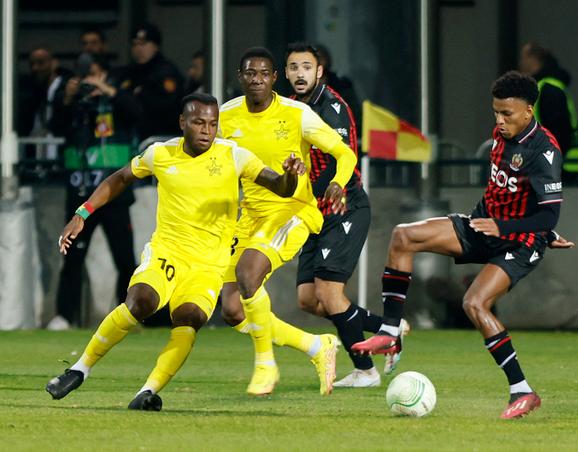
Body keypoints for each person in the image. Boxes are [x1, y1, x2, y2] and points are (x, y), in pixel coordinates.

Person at [45, 93, 306, 410]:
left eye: (212, 124)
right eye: (199, 123)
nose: (207, 131)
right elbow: (120, 178)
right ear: (183, 123)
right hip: (167, 253)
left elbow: (279, 185)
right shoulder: (160, 154)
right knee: (140, 301)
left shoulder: (233, 155)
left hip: (208, 266)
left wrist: (291, 174)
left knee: (189, 318)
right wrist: (82, 213)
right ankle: (79, 369)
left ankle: (147, 391)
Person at [353, 71, 575, 420]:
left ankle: (522, 390)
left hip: (517, 243)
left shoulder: (544, 152)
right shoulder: (503, 134)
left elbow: (549, 217)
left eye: (508, 114)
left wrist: (524, 229)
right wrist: (494, 222)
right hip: (481, 226)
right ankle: (390, 332)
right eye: (496, 113)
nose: (500, 121)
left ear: (529, 111)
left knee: (475, 302)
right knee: (402, 236)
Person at [217, 47, 357, 396]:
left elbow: (345, 152)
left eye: (264, 74)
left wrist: (338, 182)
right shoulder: (225, 116)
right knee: (232, 311)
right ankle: (315, 346)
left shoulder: (298, 114)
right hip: (249, 215)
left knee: (249, 273)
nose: (257, 80)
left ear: (274, 78)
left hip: (293, 210)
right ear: (241, 77)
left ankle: (266, 366)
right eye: (250, 74)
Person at [284, 42, 406, 388]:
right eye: (293, 68)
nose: (300, 74)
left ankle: (365, 370)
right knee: (308, 299)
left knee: (329, 292)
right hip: (314, 213)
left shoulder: (332, 107)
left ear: (319, 71)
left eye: (306, 67)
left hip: (344, 206)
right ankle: (389, 327)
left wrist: (305, 191)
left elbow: (343, 159)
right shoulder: (290, 108)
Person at [47, 53, 140, 330]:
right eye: (84, 76)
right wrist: (68, 98)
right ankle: (65, 316)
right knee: (72, 256)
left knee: (124, 257)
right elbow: (55, 127)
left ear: (105, 75)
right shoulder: (73, 102)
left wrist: (109, 91)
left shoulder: (115, 98)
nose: (89, 81)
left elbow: (136, 113)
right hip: (80, 190)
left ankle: (129, 314)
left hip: (114, 192)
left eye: (94, 74)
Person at [519, 42, 578, 177]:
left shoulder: (548, 89)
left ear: (533, 59)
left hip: (560, 170)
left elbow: (559, 131)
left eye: (523, 58)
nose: (520, 63)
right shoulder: (545, 86)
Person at [115, 23, 184, 140]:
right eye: (134, 44)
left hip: (162, 138)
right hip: (132, 138)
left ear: (156, 46)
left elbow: (168, 108)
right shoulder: (129, 73)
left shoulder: (166, 72)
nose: (138, 49)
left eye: (143, 44)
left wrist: (142, 95)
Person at [17, 47, 72, 160]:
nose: (35, 68)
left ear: (54, 63)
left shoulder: (67, 87)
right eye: (32, 64)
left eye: (41, 63)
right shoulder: (32, 91)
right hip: (37, 150)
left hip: (62, 149)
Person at [315, 44, 362, 128]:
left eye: (320, 58)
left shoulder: (342, 84)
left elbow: (354, 114)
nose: (318, 62)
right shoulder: (301, 85)